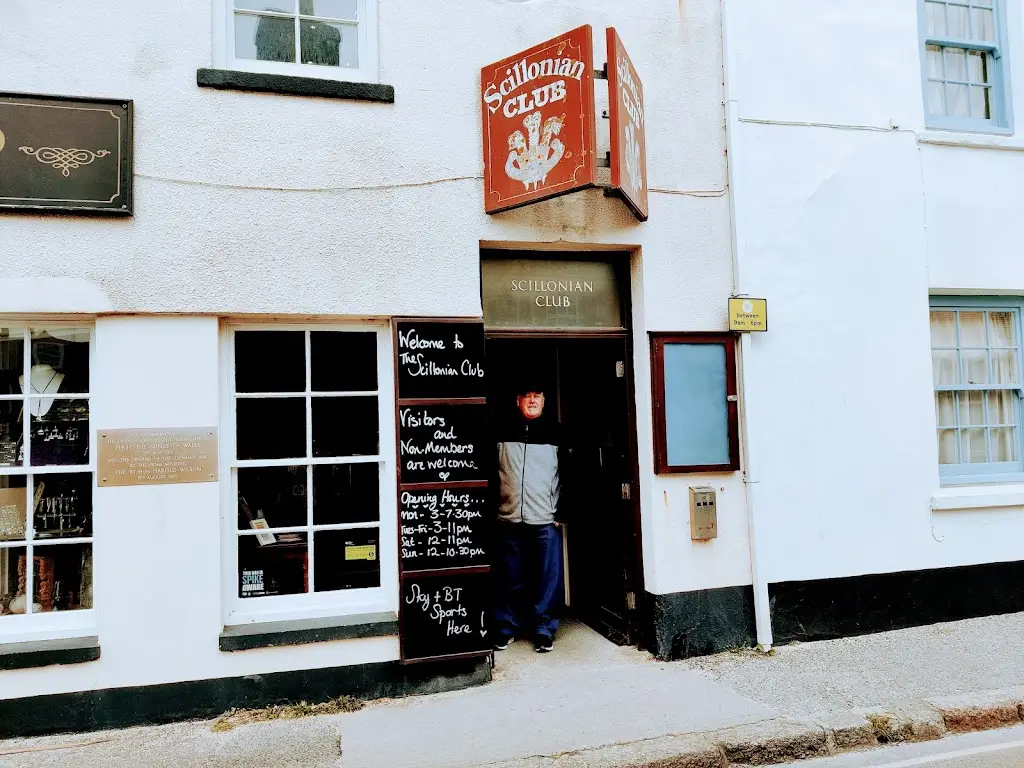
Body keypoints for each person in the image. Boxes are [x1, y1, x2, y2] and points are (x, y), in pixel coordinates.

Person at [492, 380, 566, 653]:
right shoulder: (501, 430)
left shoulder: (556, 432)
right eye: (527, 396)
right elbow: (490, 473)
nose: (532, 401)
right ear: (518, 401)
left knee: (548, 577)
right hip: (509, 517)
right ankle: (505, 627)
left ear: (544, 401)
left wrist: (563, 510)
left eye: (537, 396)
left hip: (545, 518)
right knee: (509, 576)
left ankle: (544, 629)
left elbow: (571, 474)